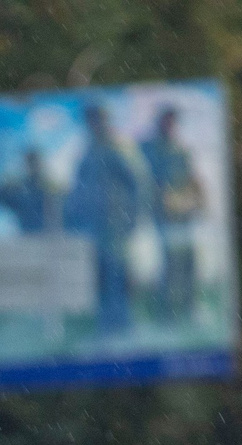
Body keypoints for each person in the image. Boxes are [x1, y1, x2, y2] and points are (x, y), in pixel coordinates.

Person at [65, 105, 145, 337]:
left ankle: (124, 323)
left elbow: (134, 184)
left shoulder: (116, 149)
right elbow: (78, 190)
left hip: (115, 225)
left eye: (97, 119)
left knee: (118, 272)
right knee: (99, 274)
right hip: (94, 227)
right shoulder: (88, 152)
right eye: (90, 120)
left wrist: (131, 217)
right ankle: (106, 324)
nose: (94, 125)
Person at [141, 107, 204, 323]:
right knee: (169, 261)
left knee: (188, 259)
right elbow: (144, 180)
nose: (169, 125)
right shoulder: (148, 148)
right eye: (166, 120)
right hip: (162, 214)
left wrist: (198, 201)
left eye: (172, 121)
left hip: (183, 213)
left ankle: (189, 308)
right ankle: (165, 313)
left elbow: (192, 179)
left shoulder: (181, 150)